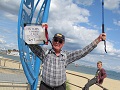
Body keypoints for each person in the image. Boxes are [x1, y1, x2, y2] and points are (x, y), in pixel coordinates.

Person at [28, 32, 106, 90]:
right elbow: (32, 45)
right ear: (52, 40)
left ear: (63, 44)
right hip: (45, 87)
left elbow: (82, 52)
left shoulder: (66, 56)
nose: (57, 42)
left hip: (60, 87)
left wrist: (98, 40)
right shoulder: (45, 53)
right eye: (55, 40)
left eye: (60, 41)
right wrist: (35, 33)